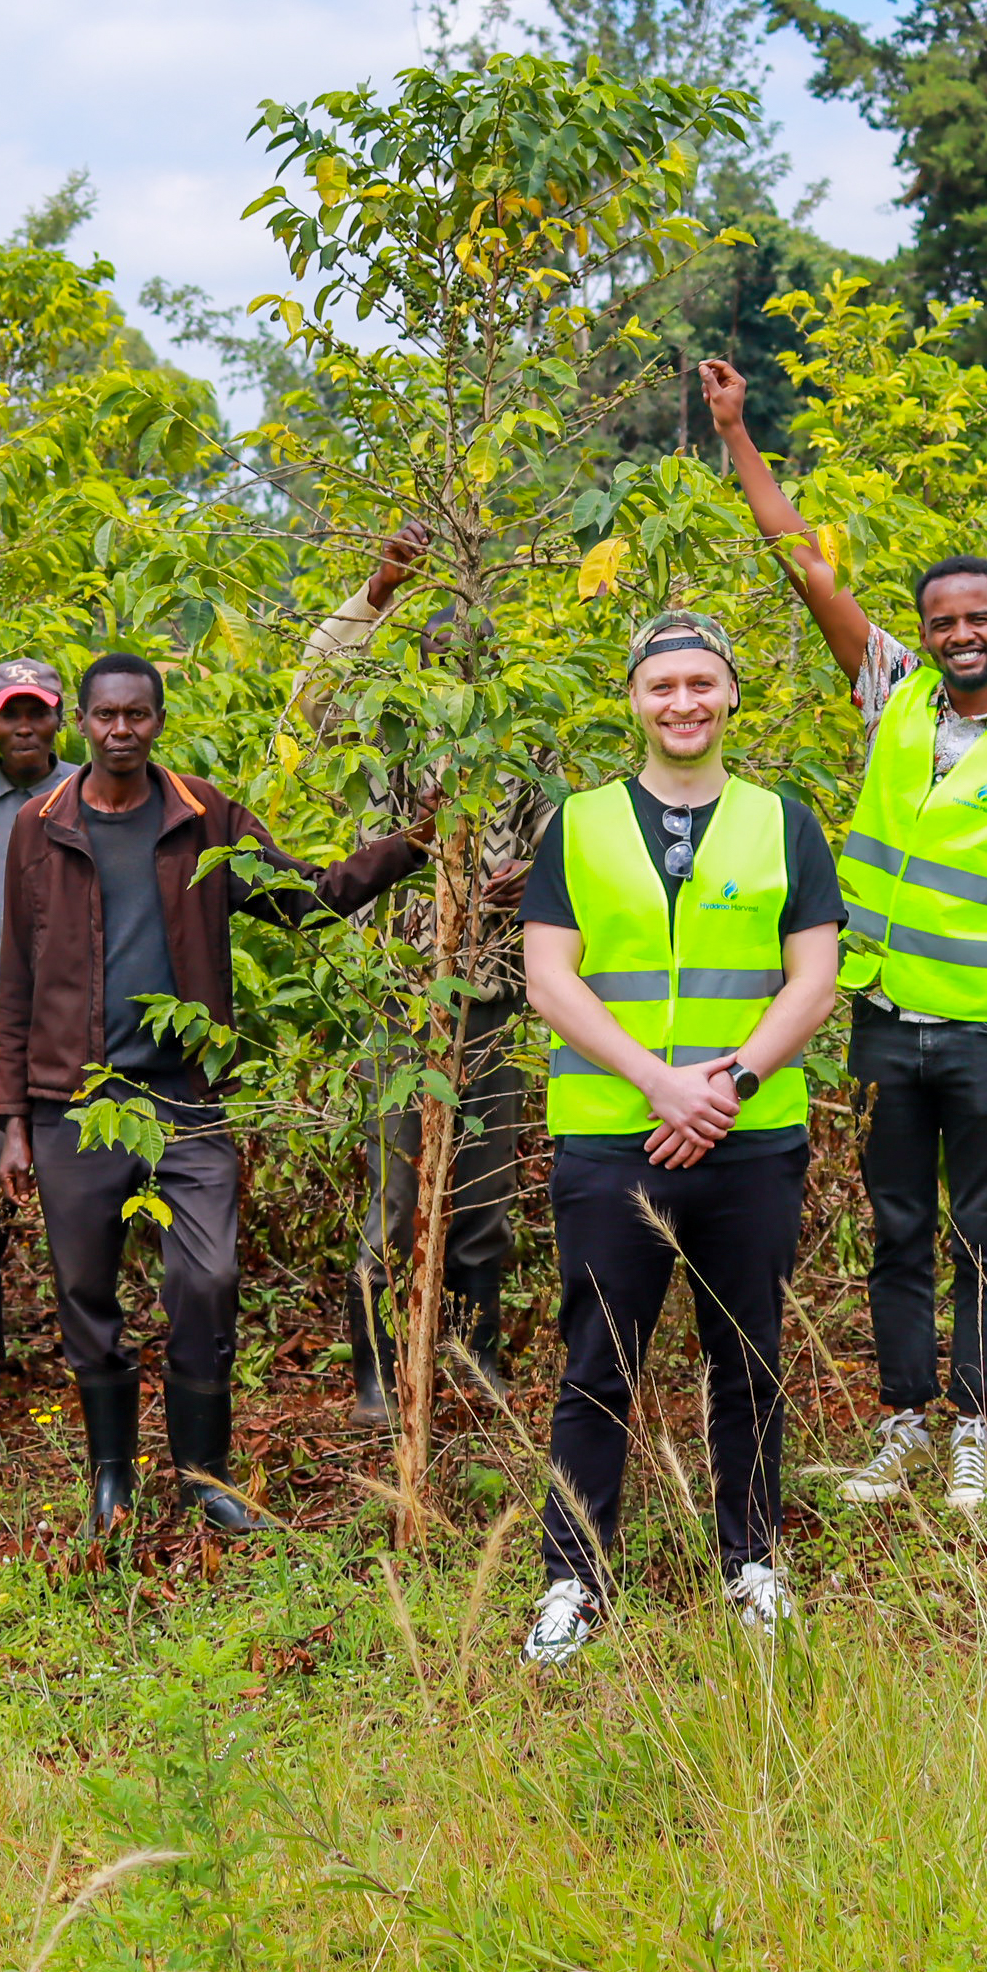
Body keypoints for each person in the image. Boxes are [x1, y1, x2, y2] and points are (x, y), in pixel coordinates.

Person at [710, 357, 987, 1515]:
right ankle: (905, 1421)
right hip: (886, 1024)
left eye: (977, 617)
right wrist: (736, 433)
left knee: (983, 1230)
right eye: (940, 620)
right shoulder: (892, 691)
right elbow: (801, 562)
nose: (958, 634)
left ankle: (975, 1423)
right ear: (921, 632)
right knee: (897, 1226)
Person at [0, 652, 427, 1536]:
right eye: (106, 715)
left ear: (158, 719)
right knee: (85, 1291)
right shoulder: (40, 826)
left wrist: (410, 846)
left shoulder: (201, 814)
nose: (121, 730)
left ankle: (204, 1476)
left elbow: (304, 898)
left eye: (138, 715)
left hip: (186, 1097)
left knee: (210, 1275)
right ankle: (112, 1479)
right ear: (82, 721)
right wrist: (10, 1120)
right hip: (71, 1102)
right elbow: (16, 979)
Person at [517, 612, 845, 1662]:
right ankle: (573, 1577)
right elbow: (548, 976)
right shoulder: (577, 823)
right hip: (612, 1135)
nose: (683, 702)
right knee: (596, 1366)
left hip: (748, 1139)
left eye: (702, 682)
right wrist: (657, 1082)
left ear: (731, 694)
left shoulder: (782, 822)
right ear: (634, 700)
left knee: (747, 1358)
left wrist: (733, 1080)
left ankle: (751, 1562)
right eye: (662, 686)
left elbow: (815, 976)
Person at [292, 524, 551, 1426]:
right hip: (399, 995)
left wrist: (534, 881)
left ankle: (477, 1363)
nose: (455, 652)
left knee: (484, 1194)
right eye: (436, 638)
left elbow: (569, 842)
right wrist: (378, 587)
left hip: (491, 995)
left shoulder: (529, 743)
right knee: (394, 1197)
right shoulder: (383, 731)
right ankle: (373, 1374)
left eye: (473, 641)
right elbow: (311, 697)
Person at [0, 658, 79, 1390]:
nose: (24, 726)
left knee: (82, 1212)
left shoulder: (91, 792)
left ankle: (90, 1364)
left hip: (70, 1044)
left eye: (38, 712)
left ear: (60, 716)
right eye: (11, 713)